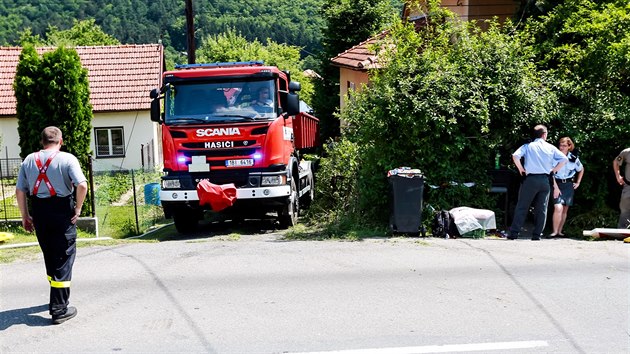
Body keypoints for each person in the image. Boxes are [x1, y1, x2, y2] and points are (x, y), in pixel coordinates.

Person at [16, 126, 88, 325]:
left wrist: (25, 216)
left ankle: (56, 296)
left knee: (50, 254)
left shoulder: (29, 160)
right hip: (61, 212)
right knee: (64, 258)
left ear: (42, 142)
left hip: (40, 212)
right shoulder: (67, 159)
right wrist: (78, 209)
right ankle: (59, 309)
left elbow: (20, 191)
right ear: (61, 141)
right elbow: (82, 185)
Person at [509, 125, 568, 240]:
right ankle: (537, 235)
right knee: (542, 208)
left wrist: (521, 169)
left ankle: (514, 233)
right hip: (545, 180)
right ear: (544, 134)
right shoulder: (551, 147)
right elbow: (564, 159)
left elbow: (515, 155)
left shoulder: (528, 146)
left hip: (530, 180)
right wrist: (554, 170)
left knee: (522, 206)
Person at [549, 137, 584, 237]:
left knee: (564, 209)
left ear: (569, 146)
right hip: (556, 183)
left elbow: (581, 169)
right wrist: (555, 186)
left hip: (568, 184)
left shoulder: (573, 158)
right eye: (560, 145)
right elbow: (551, 173)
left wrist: (578, 182)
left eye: (564, 146)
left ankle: (560, 231)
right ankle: (554, 232)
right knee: (558, 207)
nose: (562, 147)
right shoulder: (554, 157)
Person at [613, 147, 630, 229]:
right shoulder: (626, 152)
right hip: (628, 186)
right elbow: (616, 162)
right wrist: (618, 176)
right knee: (624, 209)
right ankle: (623, 231)